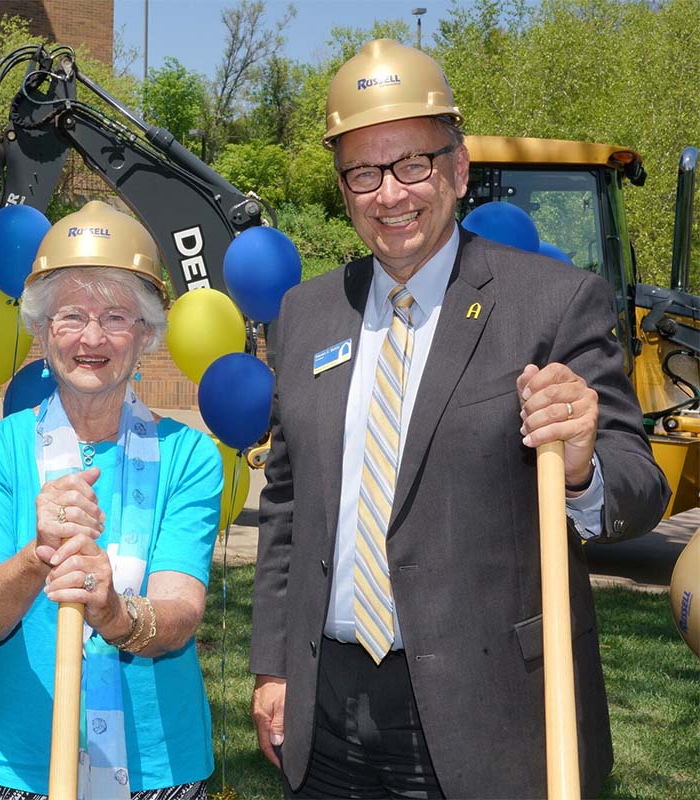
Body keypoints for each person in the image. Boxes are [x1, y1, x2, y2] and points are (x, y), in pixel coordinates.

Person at [249, 40, 670, 799]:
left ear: (458, 168)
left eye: (413, 163)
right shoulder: (306, 315)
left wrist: (580, 464)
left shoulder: (552, 302)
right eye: (364, 173)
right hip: (328, 712)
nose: (390, 194)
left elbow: (639, 488)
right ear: (344, 188)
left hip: (495, 713)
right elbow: (285, 505)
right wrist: (275, 663)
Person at [0, 201, 223, 799]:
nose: (92, 337)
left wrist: (112, 613)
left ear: (146, 334)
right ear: (43, 332)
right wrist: (37, 555)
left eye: (117, 317)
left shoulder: (190, 457)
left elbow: (179, 615)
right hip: (12, 762)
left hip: (158, 766)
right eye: (71, 315)